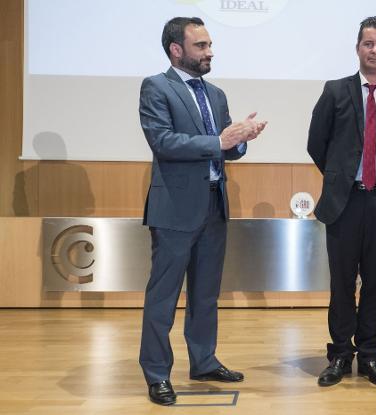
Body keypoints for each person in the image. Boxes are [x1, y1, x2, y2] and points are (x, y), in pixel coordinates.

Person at [138, 17, 266, 405]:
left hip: (214, 203)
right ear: (177, 49)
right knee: (163, 297)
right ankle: (157, 373)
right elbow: (163, 141)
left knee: (206, 294)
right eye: (201, 46)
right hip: (175, 207)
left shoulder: (216, 94)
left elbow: (226, 145)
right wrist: (219, 140)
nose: (210, 52)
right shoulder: (156, 87)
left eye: (210, 45)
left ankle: (204, 361)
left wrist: (241, 139)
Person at [308, 16, 376, 388]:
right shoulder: (335, 90)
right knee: (341, 283)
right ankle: (339, 354)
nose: (374, 50)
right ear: (358, 47)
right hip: (344, 202)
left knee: (375, 283)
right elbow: (316, 144)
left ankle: (370, 356)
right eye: (368, 43)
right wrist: (341, 177)